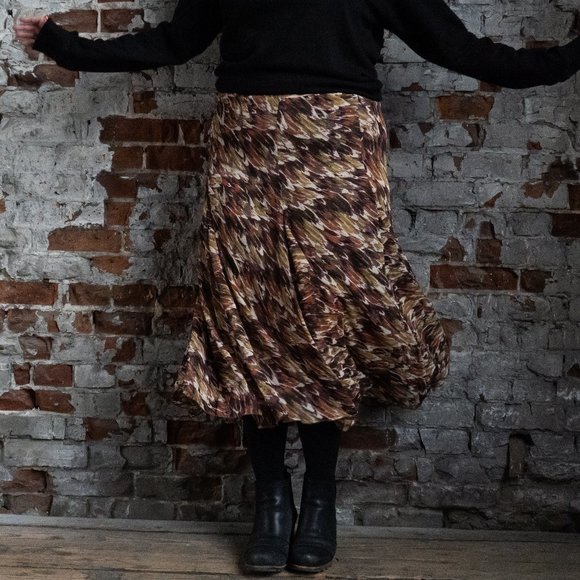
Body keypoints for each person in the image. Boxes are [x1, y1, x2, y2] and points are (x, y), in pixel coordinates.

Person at [14, 0, 580, 575]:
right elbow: (172, 43)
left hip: (339, 151)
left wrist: (567, 58)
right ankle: (272, 499)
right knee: (250, 317)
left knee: (326, 314)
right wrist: (64, 45)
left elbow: (461, 49)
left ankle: (319, 500)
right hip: (246, 148)